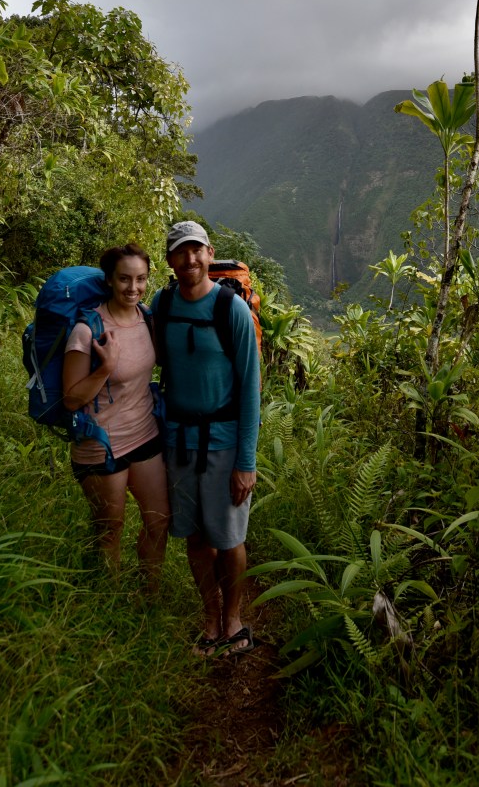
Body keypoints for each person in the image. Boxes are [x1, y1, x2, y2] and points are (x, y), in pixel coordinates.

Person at [155, 220, 260, 657]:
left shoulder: (229, 309)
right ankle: (210, 617)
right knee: (195, 537)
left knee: (229, 538)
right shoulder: (162, 306)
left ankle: (234, 619)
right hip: (178, 442)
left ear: (209, 252)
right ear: (171, 261)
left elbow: (251, 385)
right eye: (181, 251)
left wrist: (246, 461)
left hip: (223, 442)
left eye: (196, 250)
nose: (190, 259)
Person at [62, 242, 169, 592]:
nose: (133, 288)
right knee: (110, 530)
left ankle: (148, 598)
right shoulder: (87, 330)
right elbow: (71, 399)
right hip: (100, 444)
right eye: (124, 279)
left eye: (140, 279)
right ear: (109, 280)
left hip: (145, 435)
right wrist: (105, 367)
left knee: (159, 521)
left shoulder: (147, 318)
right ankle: (108, 605)